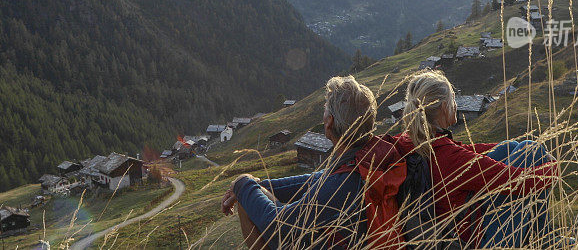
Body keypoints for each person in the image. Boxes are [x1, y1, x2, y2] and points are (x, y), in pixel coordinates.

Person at [220, 75, 402, 249]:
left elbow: (279, 226)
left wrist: (244, 183)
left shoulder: (343, 182)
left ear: (329, 121)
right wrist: (253, 185)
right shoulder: (367, 160)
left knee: (247, 202)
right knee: (249, 193)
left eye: (325, 109)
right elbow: (314, 180)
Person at [391, 70, 558, 248]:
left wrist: (511, 146)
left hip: (433, 234)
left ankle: (542, 239)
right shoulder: (452, 159)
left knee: (515, 147)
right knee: (533, 152)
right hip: (473, 243)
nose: (455, 105)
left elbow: (463, 150)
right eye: (453, 99)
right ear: (443, 107)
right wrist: (555, 167)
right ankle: (542, 240)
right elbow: (520, 182)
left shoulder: (407, 142)